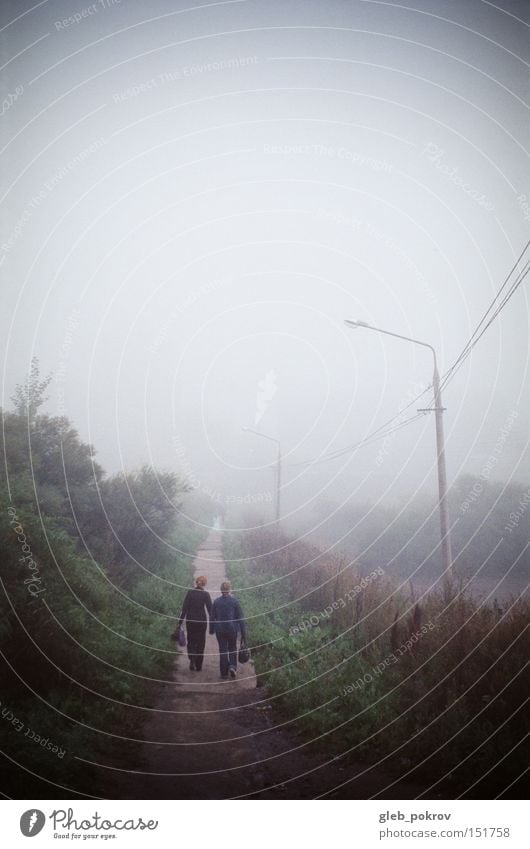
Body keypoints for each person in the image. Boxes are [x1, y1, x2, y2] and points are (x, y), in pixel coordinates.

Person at [210, 580, 246, 680]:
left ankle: (224, 673)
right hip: (232, 629)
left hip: (220, 630)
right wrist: (243, 633)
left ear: (221, 590)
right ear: (229, 590)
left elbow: (212, 617)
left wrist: (211, 629)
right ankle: (233, 667)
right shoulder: (235, 601)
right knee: (232, 648)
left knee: (223, 650)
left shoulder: (216, 602)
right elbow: (241, 618)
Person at [178, 576, 212, 671]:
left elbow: (184, 609)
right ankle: (199, 665)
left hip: (191, 621)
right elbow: (210, 610)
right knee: (201, 642)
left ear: (196, 583)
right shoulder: (206, 594)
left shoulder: (190, 593)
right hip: (201, 621)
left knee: (191, 641)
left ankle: (192, 659)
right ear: (204, 584)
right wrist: (215, 623)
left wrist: (180, 622)